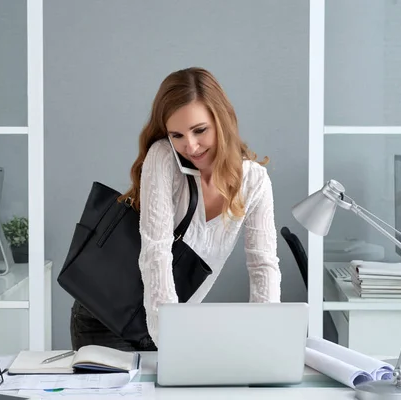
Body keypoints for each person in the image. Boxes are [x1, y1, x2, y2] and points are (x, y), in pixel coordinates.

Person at [70, 67, 281, 351]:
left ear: (222, 121)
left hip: (171, 320)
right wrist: (169, 341)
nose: (190, 146)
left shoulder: (255, 181)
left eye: (200, 130)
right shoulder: (163, 158)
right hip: (106, 317)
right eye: (177, 134)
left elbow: (263, 265)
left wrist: (267, 340)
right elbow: (156, 251)